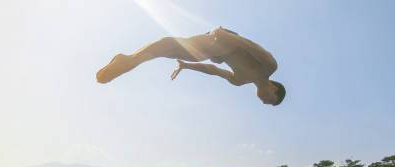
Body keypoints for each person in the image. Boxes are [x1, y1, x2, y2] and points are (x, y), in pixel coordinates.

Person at [96, 27, 286, 106]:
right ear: (275, 89)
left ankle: (130, 59)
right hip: (225, 41)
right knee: (171, 46)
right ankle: (129, 60)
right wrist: (226, 35)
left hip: (214, 53)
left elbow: (213, 70)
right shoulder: (269, 67)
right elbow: (251, 46)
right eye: (269, 100)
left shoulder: (239, 81)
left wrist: (187, 66)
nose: (263, 101)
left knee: (171, 49)